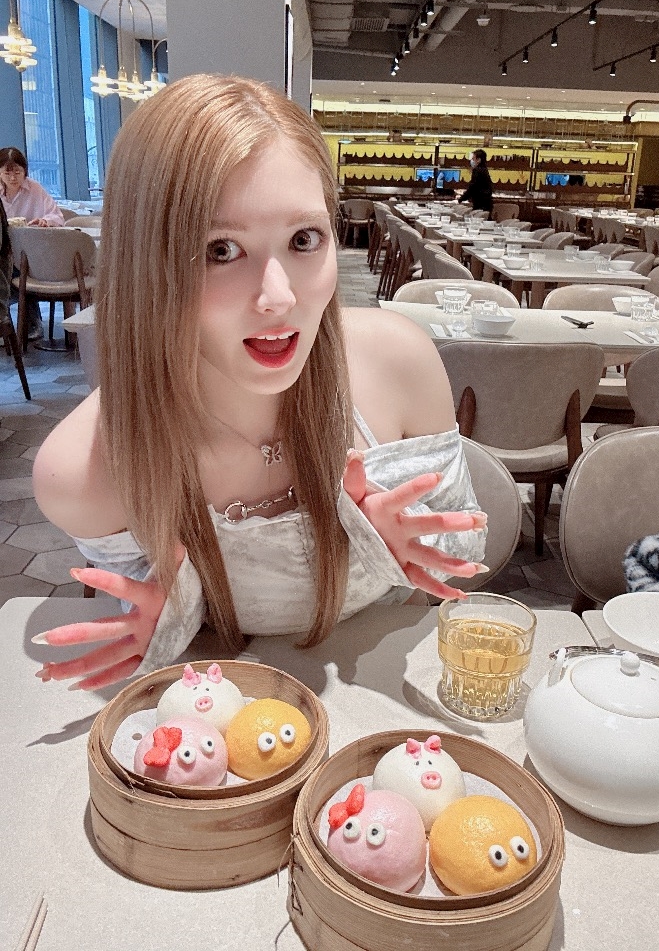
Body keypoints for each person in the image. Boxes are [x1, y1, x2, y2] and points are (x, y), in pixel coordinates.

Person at [31, 74, 488, 692]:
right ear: (145, 262)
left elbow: (462, 569)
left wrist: (404, 549)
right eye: (220, 250)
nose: (280, 297)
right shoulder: (86, 469)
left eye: (304, 239)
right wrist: (173, 619)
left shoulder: (396, 361)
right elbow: (165, 632)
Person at [0, 147, 64, 339]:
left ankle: (30, 323)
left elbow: (57, 216)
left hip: (31, 254)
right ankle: (5, 324)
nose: (13, 178)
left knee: (21, 269)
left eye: (18, 172)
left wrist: (45, 221)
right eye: (7, 173)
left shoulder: (34, 189)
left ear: (25, 171)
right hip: (5, 252)